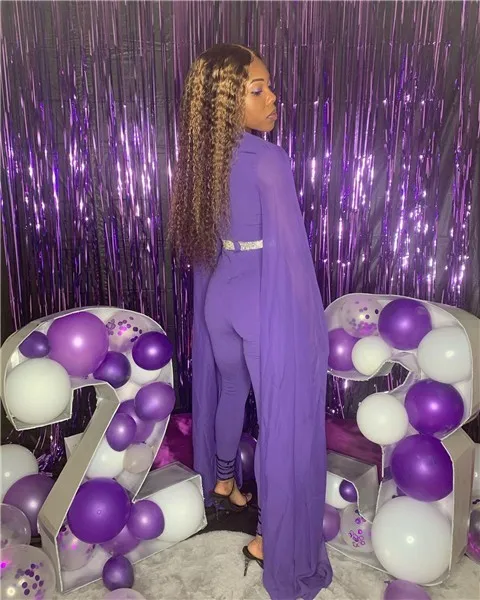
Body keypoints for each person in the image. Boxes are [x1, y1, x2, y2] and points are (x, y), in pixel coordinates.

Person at [169, 44, 332, 600]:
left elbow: (209, 245)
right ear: (226, 102)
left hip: (220, 297)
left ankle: (222, 482)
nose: (273, 98)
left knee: (232, 390)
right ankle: (268, 537)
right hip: (263, 301)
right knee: (283, 420)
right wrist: (309, 329)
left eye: (268, 86)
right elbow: (292, 257)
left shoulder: (204, 159)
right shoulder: (268, 160)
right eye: (257, 89)